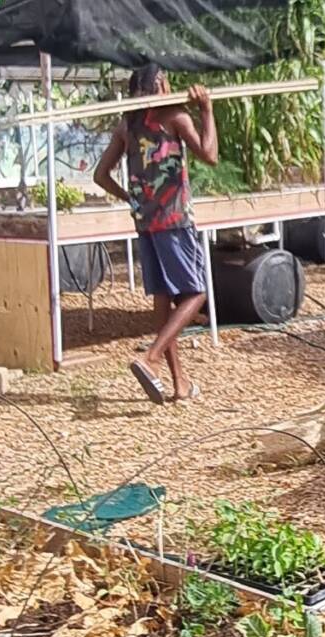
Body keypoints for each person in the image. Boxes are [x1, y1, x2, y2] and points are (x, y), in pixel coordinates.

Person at [94, 64, 218, 404]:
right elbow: (209, 155)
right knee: (196, 294)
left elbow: (100, 175)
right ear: (162, 83)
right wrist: (206, 109)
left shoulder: (127, 125)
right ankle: (150, 359)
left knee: (163, 298)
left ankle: (180, 383)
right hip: (175, 220)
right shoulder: (175, 116)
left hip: (145, 222)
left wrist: (132, 198)